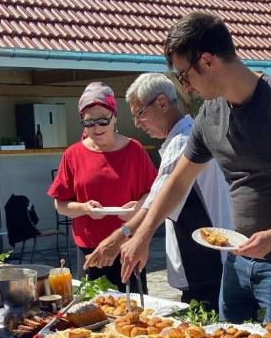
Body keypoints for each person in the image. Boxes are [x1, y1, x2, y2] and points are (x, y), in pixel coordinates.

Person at [119, 12, 271, 329]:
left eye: (184, 76)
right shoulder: (210, 114)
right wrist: (141, 234)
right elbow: (178, 182)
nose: (187, 87)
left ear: (208, 62)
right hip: (237, 259)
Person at [84, 73, 232, 310]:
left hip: (207, 263)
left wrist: (124, 236)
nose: (137, 124)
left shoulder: (183, 141)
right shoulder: (182, 138)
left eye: (140, 114)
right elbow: (155, 200)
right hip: (202, 263)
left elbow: (158, 202)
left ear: (162, 103)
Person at [48, 81, 156, 289]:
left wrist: (137, 208)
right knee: (94, 309)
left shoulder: (134, 150)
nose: (96, 128)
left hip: (128, 246)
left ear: (115, 117)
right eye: (89, 123)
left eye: (103, 121)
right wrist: (84, 209)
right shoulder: (73, 154)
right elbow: (60, 204)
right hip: (90, 249)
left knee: (132, 313)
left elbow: (154, 194)